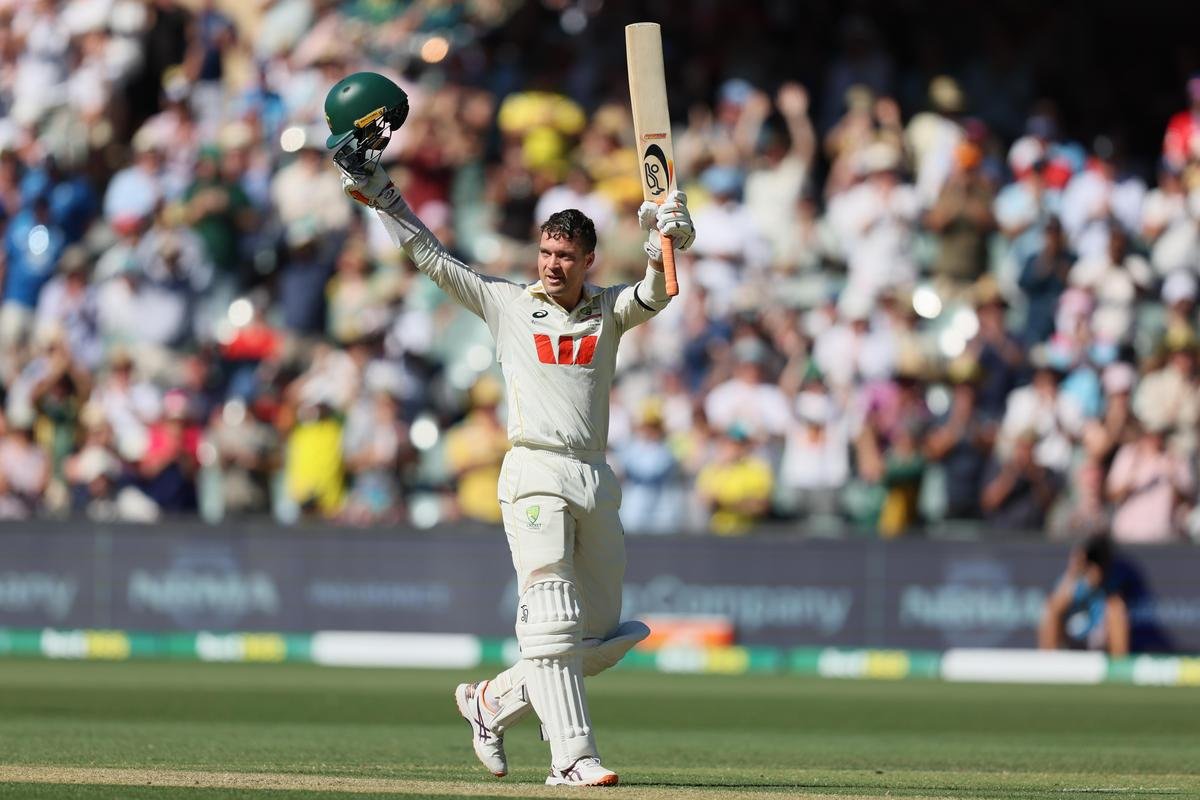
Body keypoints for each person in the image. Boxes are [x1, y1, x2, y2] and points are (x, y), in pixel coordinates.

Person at [326, 72, 695, 787]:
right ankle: (572, 760)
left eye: (566, 258)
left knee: (603, 637)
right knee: (551, 615)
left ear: (588, 261)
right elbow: (430, 255)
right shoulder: (504, 304)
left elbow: (659, 292)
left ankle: (491, 701)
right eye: (546, 254)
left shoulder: (607, 310)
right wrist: (380, 193)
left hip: (594, 472)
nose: (553, 266)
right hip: (532, 469)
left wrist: (672, 236)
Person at [1038, 535, 1130, 656]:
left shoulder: (1109, 593)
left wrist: (1095, 578)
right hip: (1070, 648)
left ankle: (1116, 671)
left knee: (1116, 610)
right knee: (1050, 608)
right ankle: (1046, 666)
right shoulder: (1069, 584)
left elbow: (1112, 602)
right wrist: (1077, 575)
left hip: (1098, 651)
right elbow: (1054, 607)